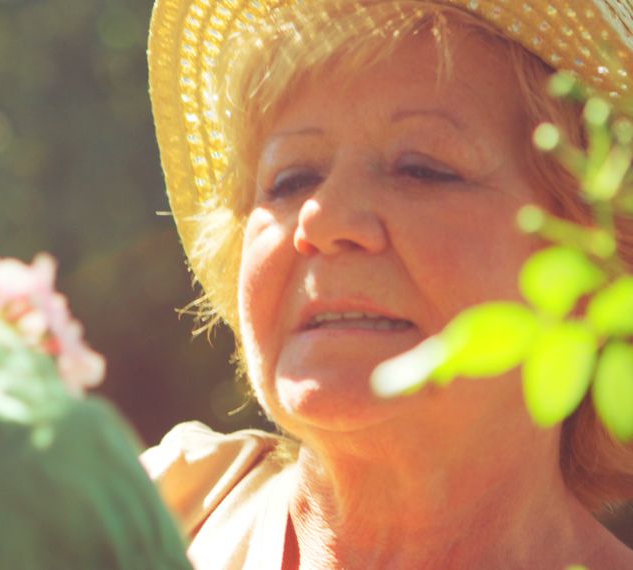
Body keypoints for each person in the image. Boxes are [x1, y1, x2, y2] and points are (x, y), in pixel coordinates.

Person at [142, 0, 633, 568]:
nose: (324, 220)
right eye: (291, 179)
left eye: (421, 169)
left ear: (593, 265)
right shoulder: (162, 509)